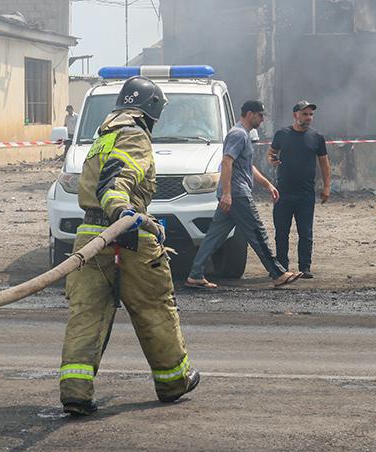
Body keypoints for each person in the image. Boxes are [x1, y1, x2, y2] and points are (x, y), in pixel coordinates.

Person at [59, 75, 200, 416]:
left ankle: (75, 392)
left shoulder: (103, 137)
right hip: (127, 235)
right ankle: (173, 381)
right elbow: (116, 182)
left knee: (87, 313)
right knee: (154, 308)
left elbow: (104, 178)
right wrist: (124, 212)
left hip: (89, 238)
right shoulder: (135, 135)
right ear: (151, 110)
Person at [185, 100, 301, 289]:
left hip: (233, 193)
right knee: (257, 232)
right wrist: (228, 194)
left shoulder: (243, 134)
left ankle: (195, 275)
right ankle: (278, 273)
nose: (262, 119)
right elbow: (227, 162)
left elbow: (247, 166)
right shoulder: (238, 134)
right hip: (237, 194)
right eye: (260, 115)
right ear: (250, 114)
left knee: (214, 236)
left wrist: (267, 185)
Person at [268, 101, 331, 277]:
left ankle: (305, 267)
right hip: (283, 192)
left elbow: (324, 164)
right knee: (281, 231)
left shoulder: (317, 137)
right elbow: (271, 153)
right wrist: (272, 159)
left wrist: (327, 186)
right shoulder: (282, 134)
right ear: (295, 115)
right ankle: (281, 267)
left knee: (306, 232)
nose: (309, 118)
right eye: (305, 114)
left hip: (306, 194)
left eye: (311, 114)